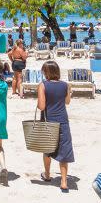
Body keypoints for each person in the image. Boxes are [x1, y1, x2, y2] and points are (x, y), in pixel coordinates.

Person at [37, 60, 73, 192]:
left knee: (47, 149)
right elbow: (67, 102)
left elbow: (41, 106)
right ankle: (64, 181)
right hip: (63, 120)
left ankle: (47, 175)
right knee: (64, 151)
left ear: (46, 73)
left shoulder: (43, 85)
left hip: (49, 121)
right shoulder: (65, 85)